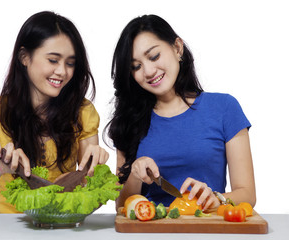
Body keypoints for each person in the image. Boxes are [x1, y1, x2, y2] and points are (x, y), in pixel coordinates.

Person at [0, 11, 108, 214]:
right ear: (24, 57)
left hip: (61, 230)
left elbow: (91, 201)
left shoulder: (82, 112)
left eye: (70, 63)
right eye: (53, 60)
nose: (63, 71)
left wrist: (92, 173)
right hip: (4, 231)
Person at [106, 14, 256, 212]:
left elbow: (247, 194)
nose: (149, 71)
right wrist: (135, 174)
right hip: (151, 230)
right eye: (136, 66)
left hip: (208, 228)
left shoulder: (224, 108)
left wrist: (216, 198)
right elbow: (122, 206)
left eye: (154, 56)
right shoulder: (129, 121)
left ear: (177, 48)